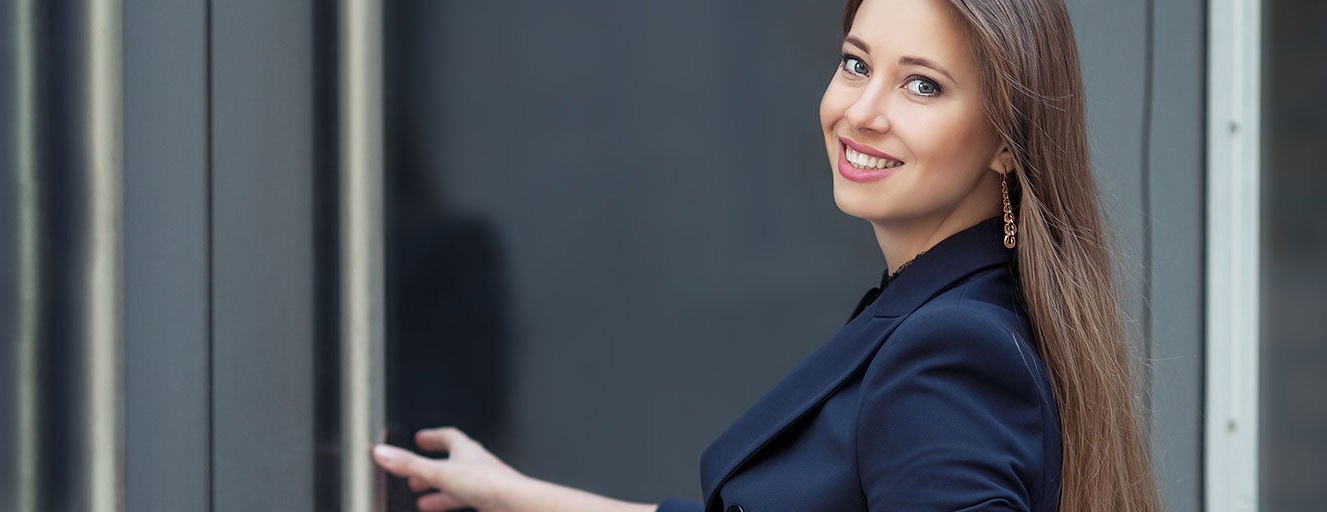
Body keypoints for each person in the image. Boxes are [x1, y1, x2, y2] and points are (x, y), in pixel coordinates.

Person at [371, 0, 1161, 509]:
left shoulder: (950, 350)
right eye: (857, 63)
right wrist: (514, 495)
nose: (863, 111)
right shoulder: (949, 313)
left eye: (921, 86)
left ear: (1005, 143)